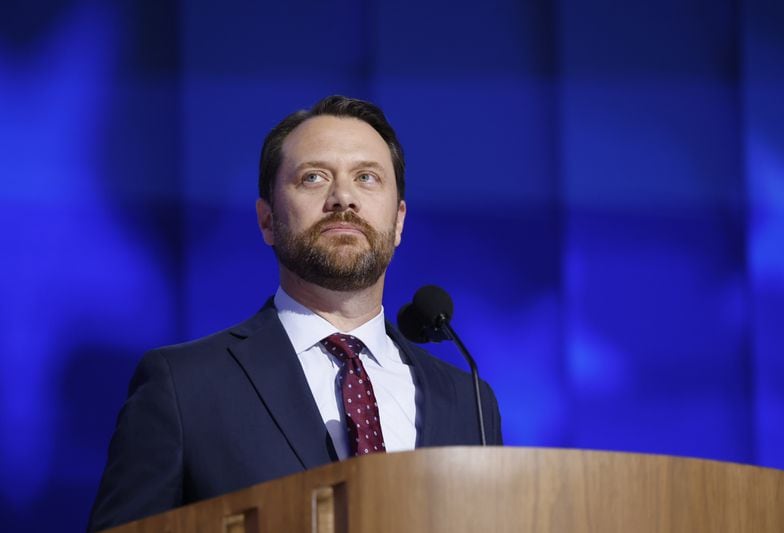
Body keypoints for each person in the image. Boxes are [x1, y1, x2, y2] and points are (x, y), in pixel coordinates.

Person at [88, 95, 503, 531]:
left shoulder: (469, 401)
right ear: (267, 220)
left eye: (366, 177)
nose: (343, 197)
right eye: (314, 177)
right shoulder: (182, 387)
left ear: (398, 221)